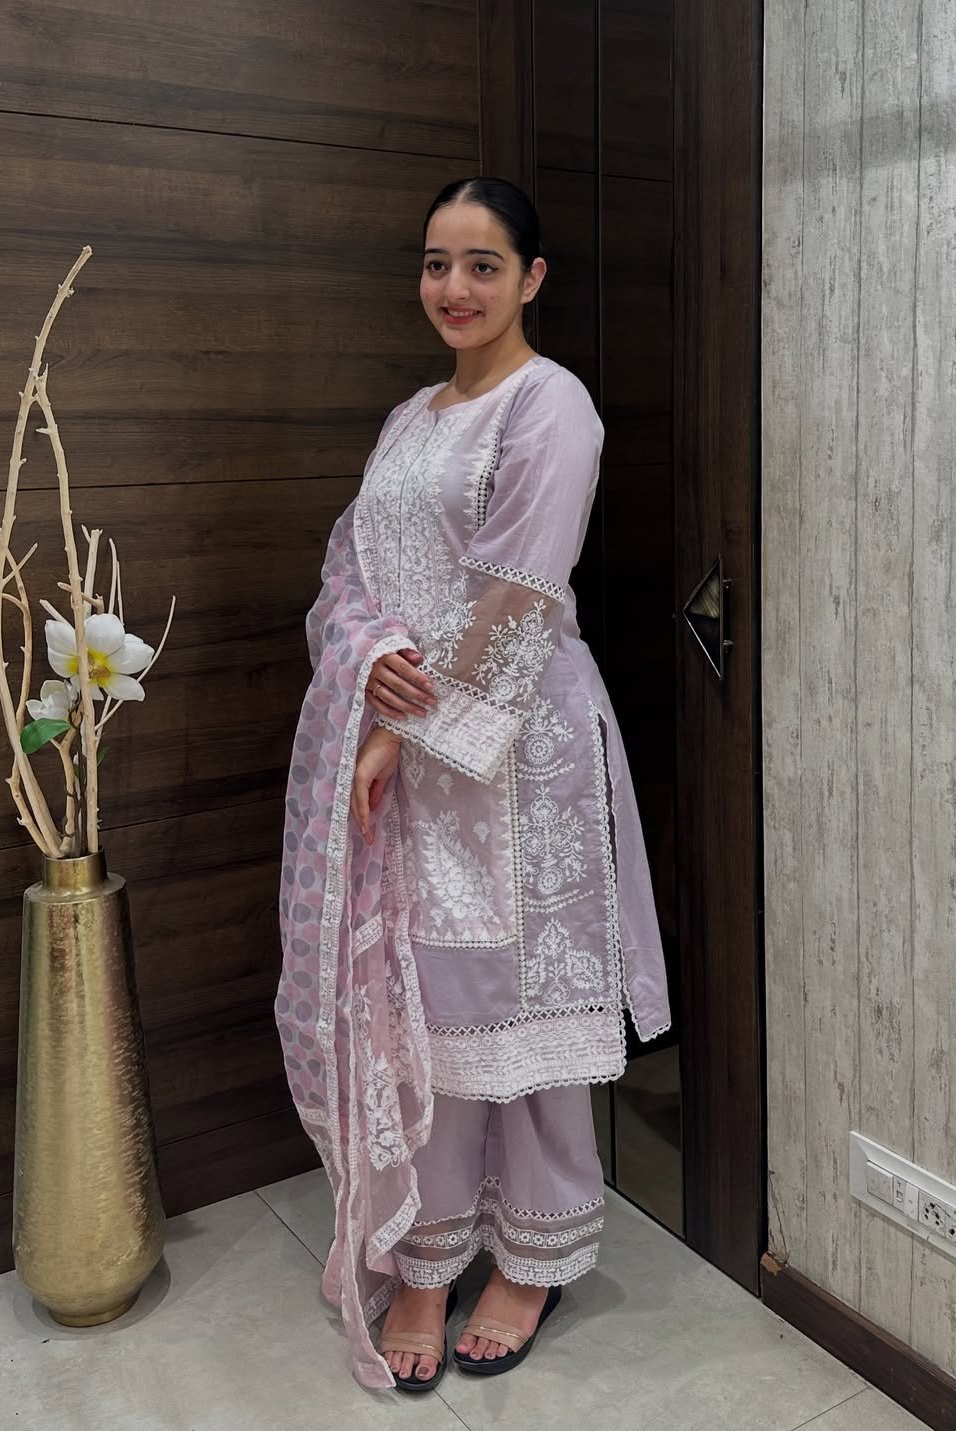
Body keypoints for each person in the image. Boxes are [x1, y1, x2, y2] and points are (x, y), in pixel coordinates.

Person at [276, 176, 670, 1394]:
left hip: (519, 755)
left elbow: (516, 595)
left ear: (531, 278)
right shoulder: (410, 418)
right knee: (427, 1012)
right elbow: (347, 568)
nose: (454, 288)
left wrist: (400, 731)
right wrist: (369, 657)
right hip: (410, 749)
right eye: (437, 263)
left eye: (483, 265)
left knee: (521, 1011)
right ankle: (429, 1255)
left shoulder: (552, 405)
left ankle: (532, 1260)